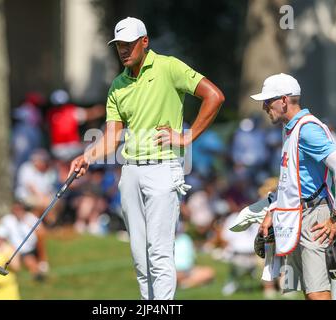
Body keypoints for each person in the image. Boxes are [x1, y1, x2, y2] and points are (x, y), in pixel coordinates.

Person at [69, 17, 225, 300]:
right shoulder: (117, 85)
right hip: (130, 173)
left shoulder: (169, 67)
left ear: (144, 42)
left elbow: (213, 96)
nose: (124, 50)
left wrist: (187, 137)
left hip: (163, 169)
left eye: (129, 44)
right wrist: (87, 156)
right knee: (140, 257)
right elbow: (112, 136)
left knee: (159, 251)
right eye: (119, 46)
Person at [252, 73, 336, 300]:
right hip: (299, 214)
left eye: (268, 101)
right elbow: (289, 179)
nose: (263, 107)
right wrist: (273, 210)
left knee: (317, 292)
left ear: (284, 101)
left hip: (314, 216)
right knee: (310, 291)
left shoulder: (307, 129)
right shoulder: (292, 127)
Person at [0, 200, 48, 280]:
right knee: (29, 261)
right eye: (15, 209)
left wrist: (28, 224)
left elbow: (41, 231)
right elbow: (1, 234)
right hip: (17, 250)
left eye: (19, 209)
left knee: (40, 238)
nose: (17, 211)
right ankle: (37, 273)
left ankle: (42, 263)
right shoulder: (7, 220)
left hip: (33, 247)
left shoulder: (30, 217)